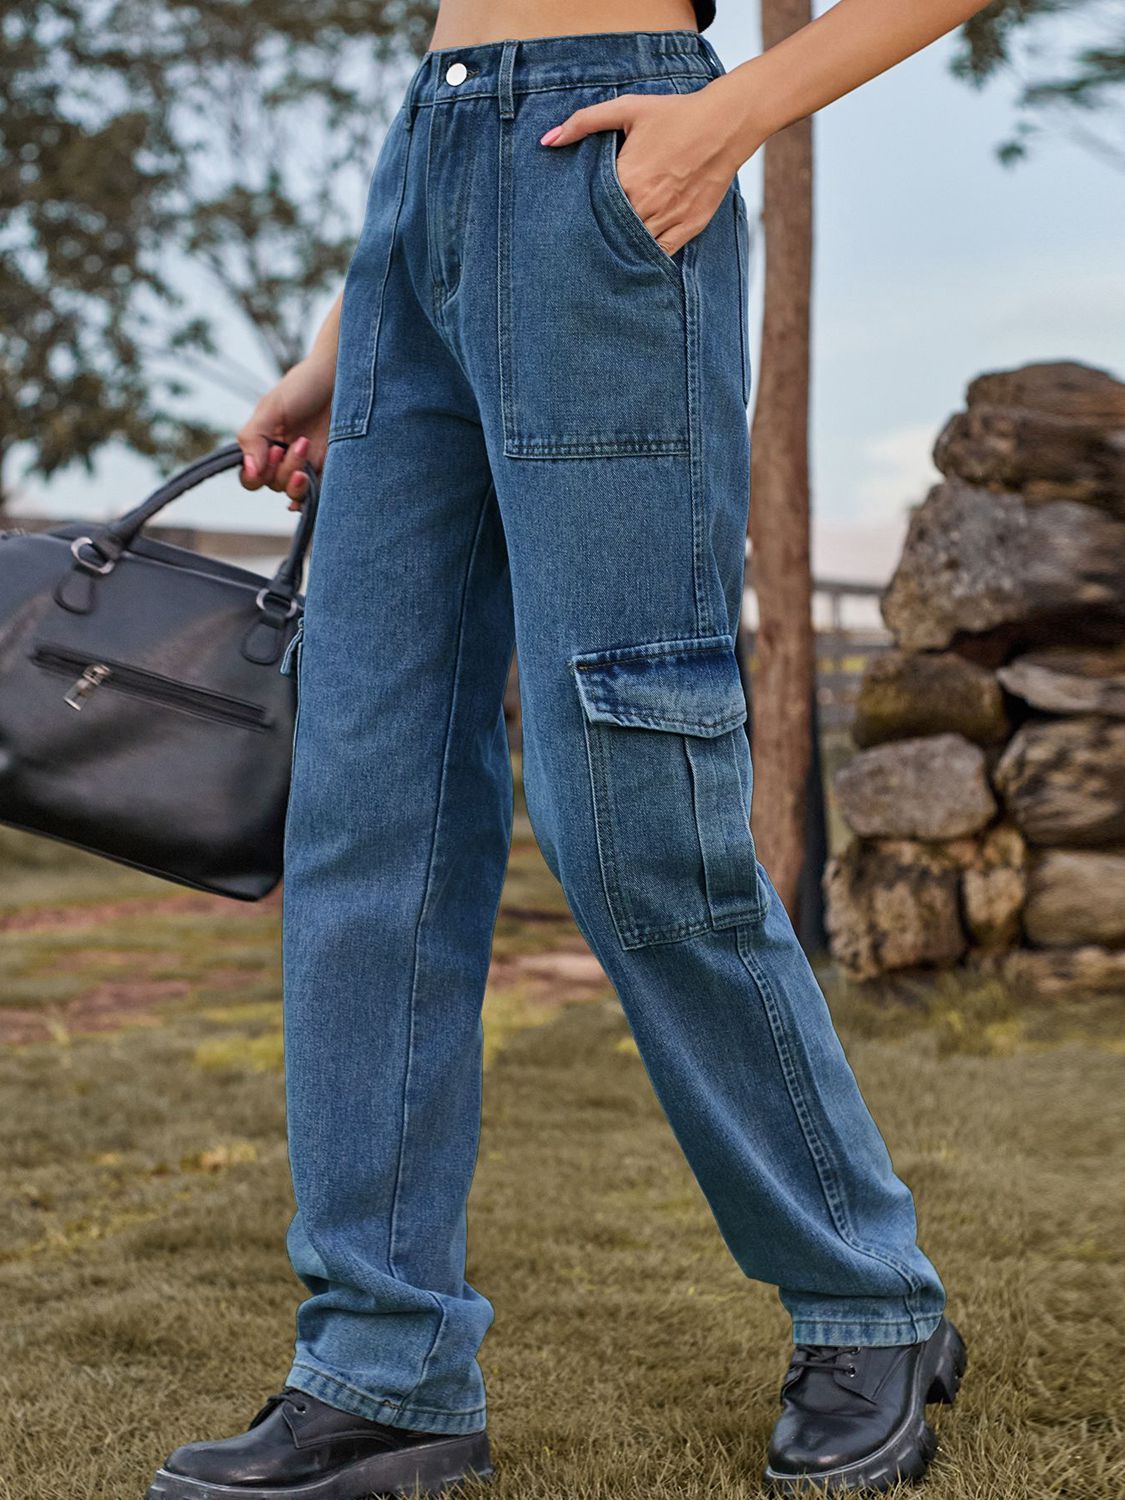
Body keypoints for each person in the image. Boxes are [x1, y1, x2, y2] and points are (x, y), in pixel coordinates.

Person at [147, 0, 985, 1495]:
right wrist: (347, 335)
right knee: (359, 825)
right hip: (427, 169)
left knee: (628, 808)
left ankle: (867, 1297)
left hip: (611, 151)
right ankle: (382, 1368)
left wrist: (733, 114)